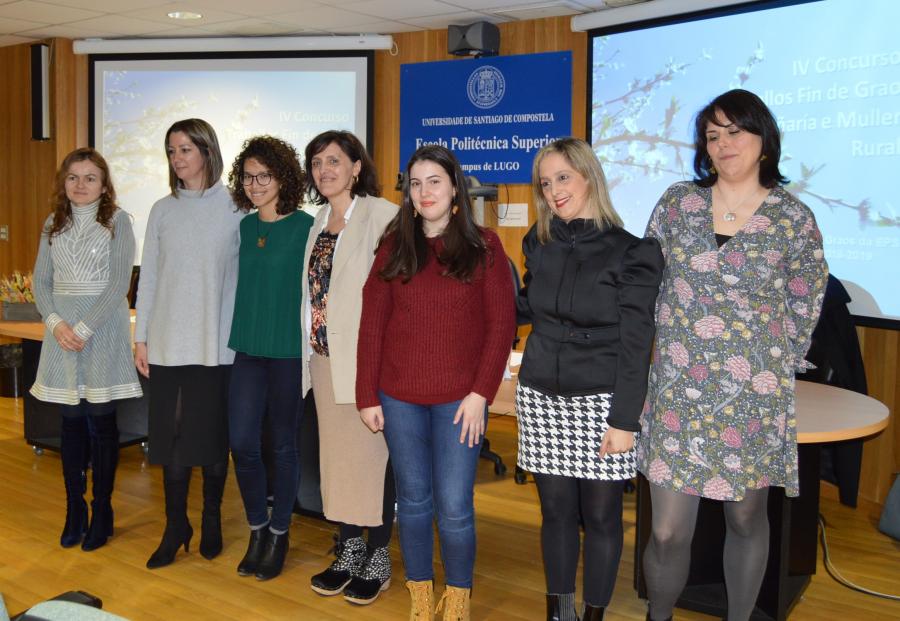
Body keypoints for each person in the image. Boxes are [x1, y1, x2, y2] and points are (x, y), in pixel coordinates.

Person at [637, 89, 828, 621]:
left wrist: (763, 367)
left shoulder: (793, 218)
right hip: (678, 392)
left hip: (751, 397)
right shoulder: (679, 204)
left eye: (734, 132)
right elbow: (645, 283)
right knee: (668, 529)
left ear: (764, 138)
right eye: (712, 135)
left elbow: (805, 302)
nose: (723, 144)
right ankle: (659, 615)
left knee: (746, 518)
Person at [356, 144, 515, 620]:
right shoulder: (394, 245)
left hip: (459, 403)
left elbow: (501, 327)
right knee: (415, 501)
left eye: (435, 182)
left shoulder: (485, 246)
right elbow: (372, 326)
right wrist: (367, 394)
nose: (425, 192)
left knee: (454, 506)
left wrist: (480, 394)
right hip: (398, 397)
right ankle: (421, 594)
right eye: (416, 183)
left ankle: (459, 595)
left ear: (454, 189)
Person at [515, 138, 663, 621]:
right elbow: (523, 306)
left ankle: (594, 614)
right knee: (555, 512)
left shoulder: (633, 252)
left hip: (603, 402)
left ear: (588, 177)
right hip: (541, 394)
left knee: (600, 517)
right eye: (545, 182)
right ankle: (560, 611)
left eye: (563, 177)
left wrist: (624, 419)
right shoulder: (537, 242)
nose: (554, 191)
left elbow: (637, 343)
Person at [135, 118, 244, 569]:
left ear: (206, 150)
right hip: (165, 342)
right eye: (172, 151)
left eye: (186, 149)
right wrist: (140, 336)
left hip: (216, 345)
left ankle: (212, 517)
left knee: (212, 437)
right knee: (171, 438)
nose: (178, 159)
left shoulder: (236, 206)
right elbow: (150, 277)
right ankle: (175, 524)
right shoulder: (162, 209)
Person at [301, 130, 399, 606]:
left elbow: (397, 295)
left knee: (372, 461)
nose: (325, 170)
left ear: (357, 166)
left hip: (366, 364)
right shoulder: (318, 220)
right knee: (336, 462)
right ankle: (349, 550)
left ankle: (378, 557)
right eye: (317, 162)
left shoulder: (383, 216)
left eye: (335, 160)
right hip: (322, 360)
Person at [31, 147, 143, 552]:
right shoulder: (52, 223)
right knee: (71, 424)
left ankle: (103, 508)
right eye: (73, 177)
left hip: (102, 332)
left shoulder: (118, 222)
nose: (81, 185)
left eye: (90, 177)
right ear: (64, 182)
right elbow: (40, 282)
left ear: (104, 184)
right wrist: (57, 324)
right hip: (61, 334)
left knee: (101, 423)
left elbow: (118, 285)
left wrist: (81, 327)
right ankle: (74, 509)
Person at [225, 136, 313, 580]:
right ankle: (257, 527)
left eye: (265, 175)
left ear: (283, 177)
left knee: (282, 445)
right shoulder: (243, 227)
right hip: (247, 349)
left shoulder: (305, 227)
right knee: (241, 442)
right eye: (249, 176)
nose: (256, 184)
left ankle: (279, 533)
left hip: (287, 353)